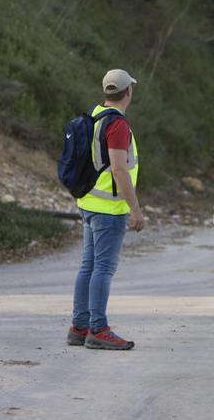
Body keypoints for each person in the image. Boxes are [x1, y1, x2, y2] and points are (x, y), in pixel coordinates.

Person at [67, 69, 145, 351]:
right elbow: (119, 169)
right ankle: (98, 329)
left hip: (88, 203)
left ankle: (79, 326)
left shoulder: (95, 116)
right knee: (102, 267)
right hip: (108, 209)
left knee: (88, 266)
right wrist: (135, 210)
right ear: (128, 93)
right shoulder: (117, 125)